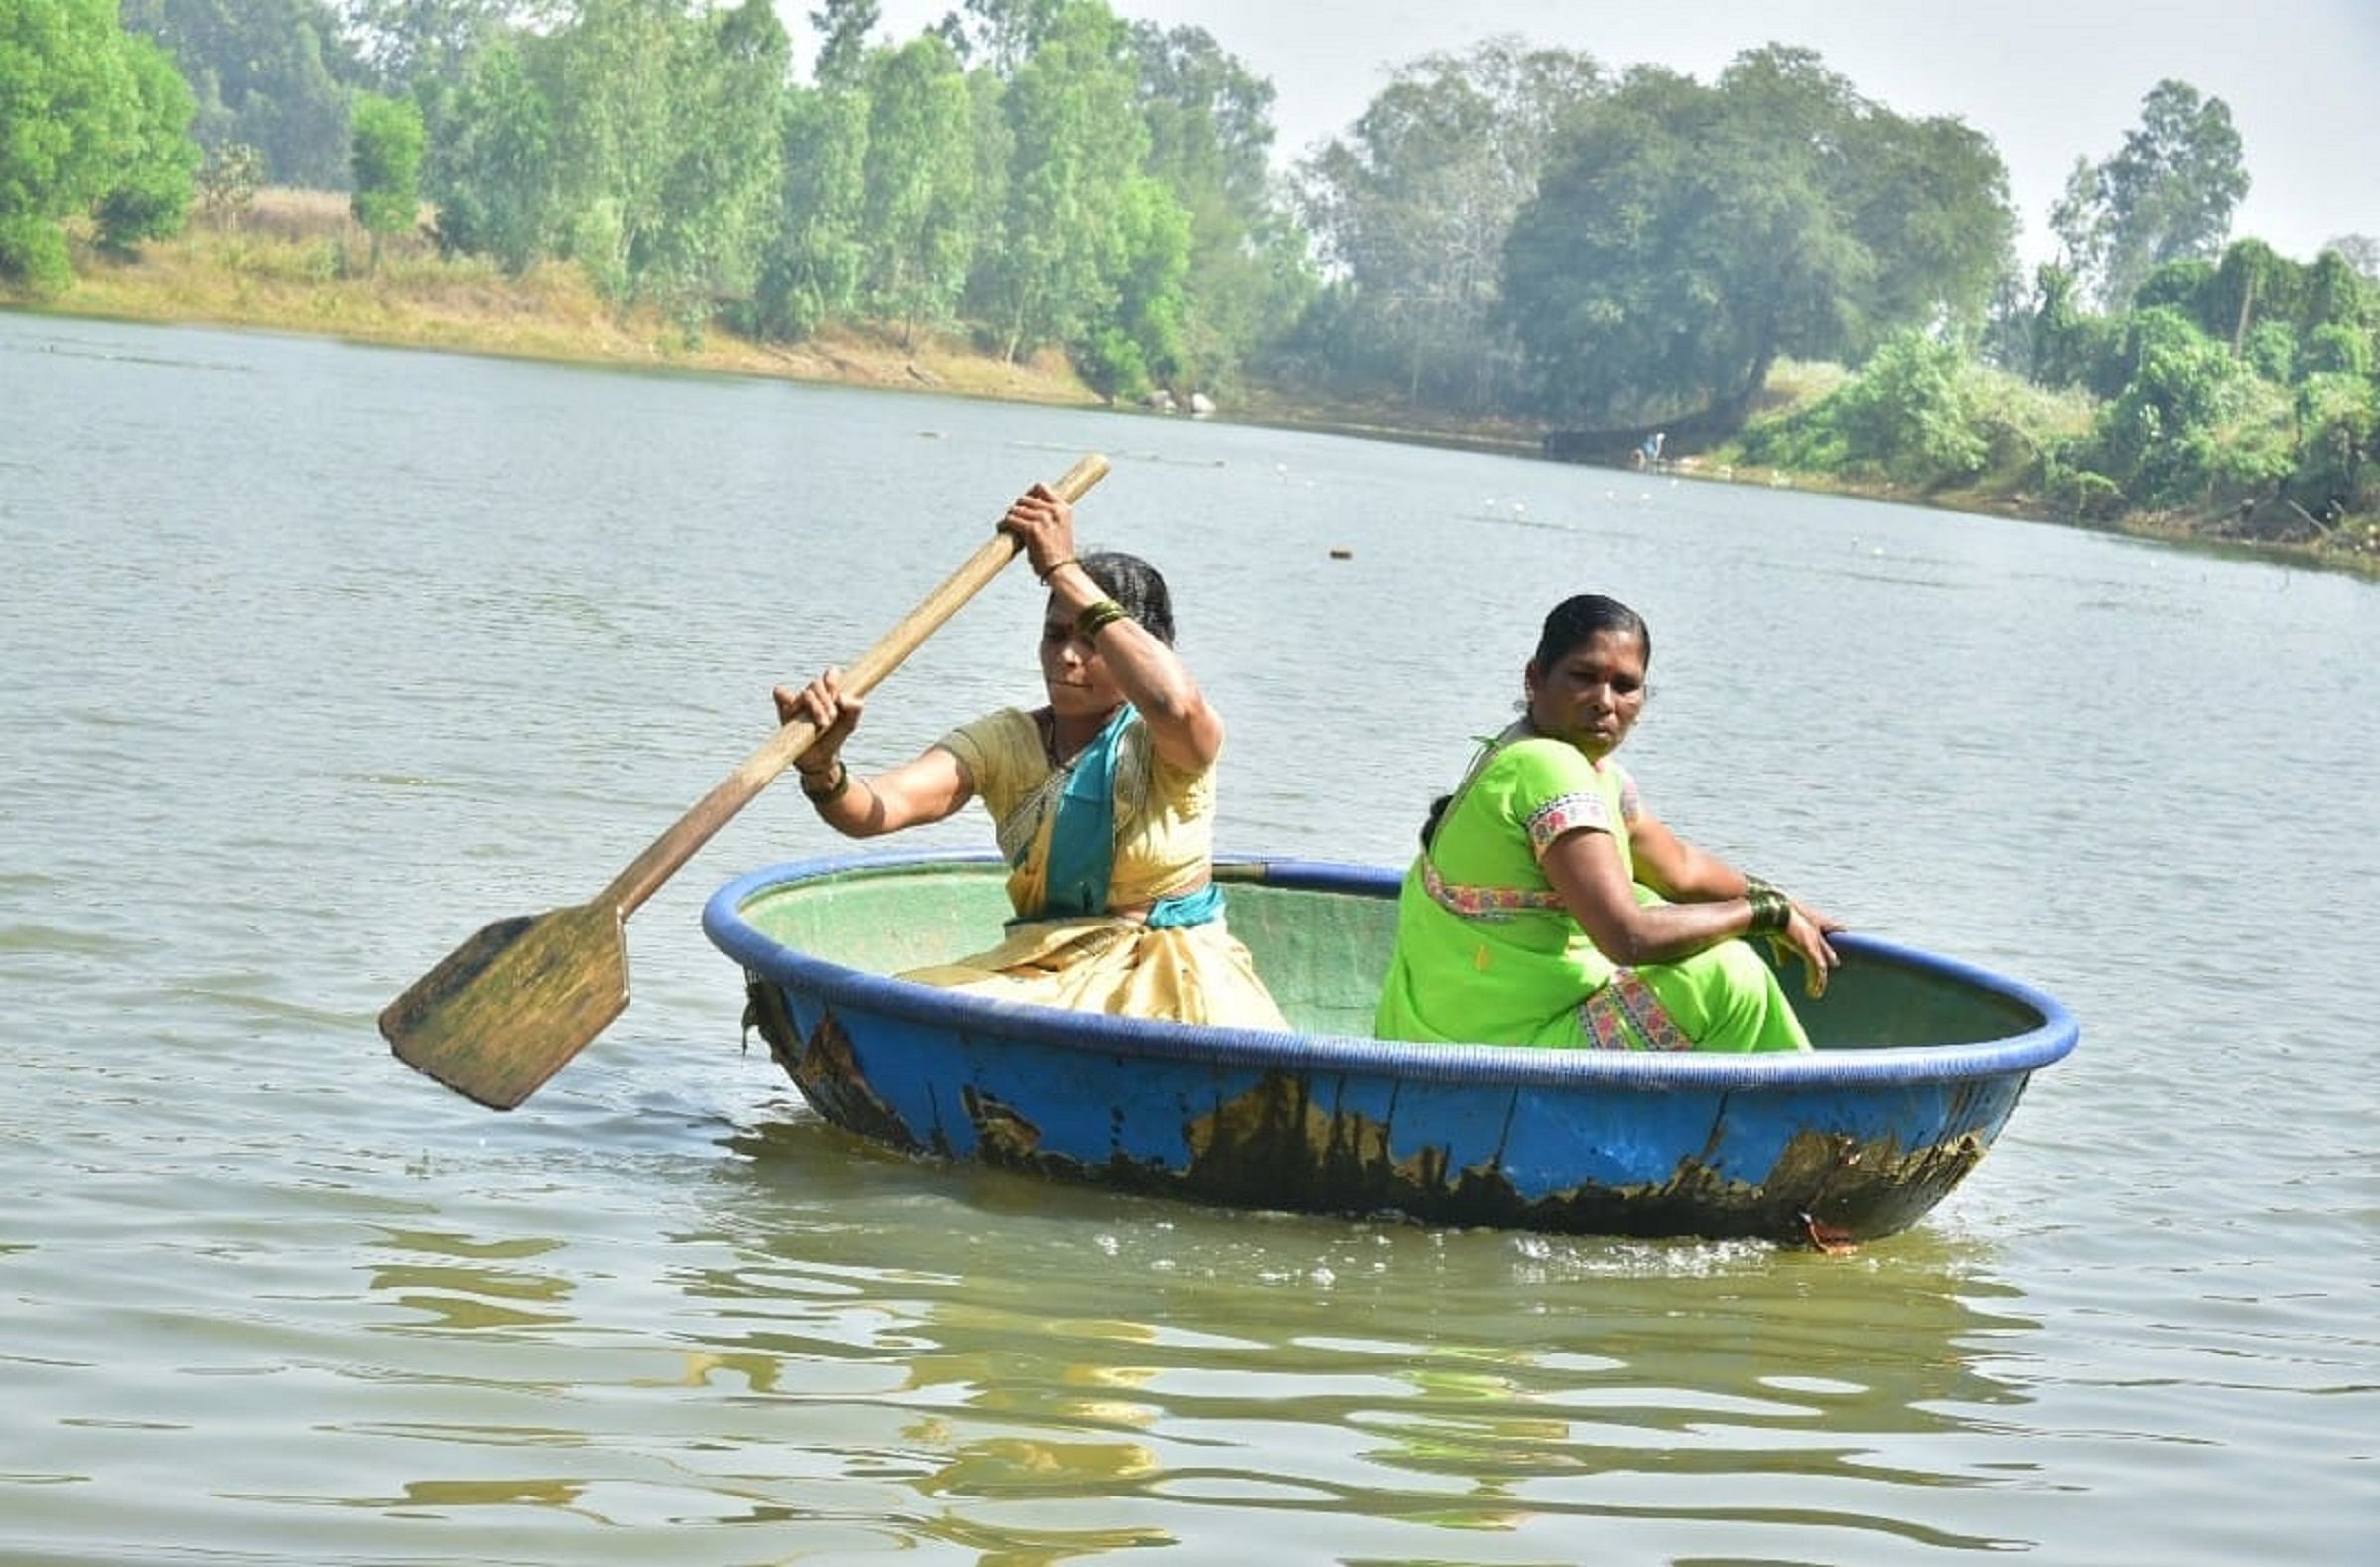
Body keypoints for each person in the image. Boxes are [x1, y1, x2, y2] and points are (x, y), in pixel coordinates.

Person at [774, 483, 1288, 1030]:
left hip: (1176, 976)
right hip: (1049, 966)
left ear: (1143, 647)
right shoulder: (1006, 742)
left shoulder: (1171, 741)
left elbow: (1175, 702)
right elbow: (875, 810)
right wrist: (822, 768)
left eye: (1091, 641)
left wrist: (1062, 569)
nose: (1068, 656)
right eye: (1055, 635)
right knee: (910, 1001)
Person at [1374, 593, 1840, 1052]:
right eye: (1583, 677)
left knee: (1656, 898)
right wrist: (1765, 915)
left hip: (1430, 1034)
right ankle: (1815, 1123)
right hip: (1488, 1053)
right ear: (1535, 679)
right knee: (1727, 977)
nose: (1604, 701)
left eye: (1625, 686)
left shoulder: (1588, 774)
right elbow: (1628, 937)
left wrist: (1787, 903)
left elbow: (1680, 869)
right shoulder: (1545, 767)